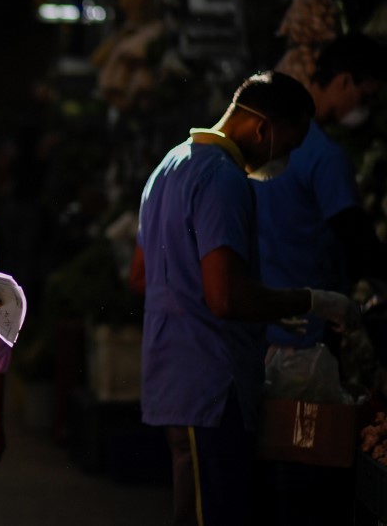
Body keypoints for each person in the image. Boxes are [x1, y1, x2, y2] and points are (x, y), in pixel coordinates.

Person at [129, 71, 360, 526]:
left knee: (197, 506)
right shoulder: (223, 178)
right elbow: (225, 298)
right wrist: (309, 301)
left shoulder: (169, 164)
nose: (286, 159)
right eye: (289, 146)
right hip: (210, 385)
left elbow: (141, 276)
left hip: (173, 377)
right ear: (263, 129)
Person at [252, 34, 387, 526]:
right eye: (367, 95)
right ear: (344, 82)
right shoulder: (324, 155)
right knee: (304, 477)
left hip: (261, 334)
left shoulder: (266, 149)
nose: (366, 107)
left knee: (270, 476)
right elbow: (355, 237)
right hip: (307, 343)